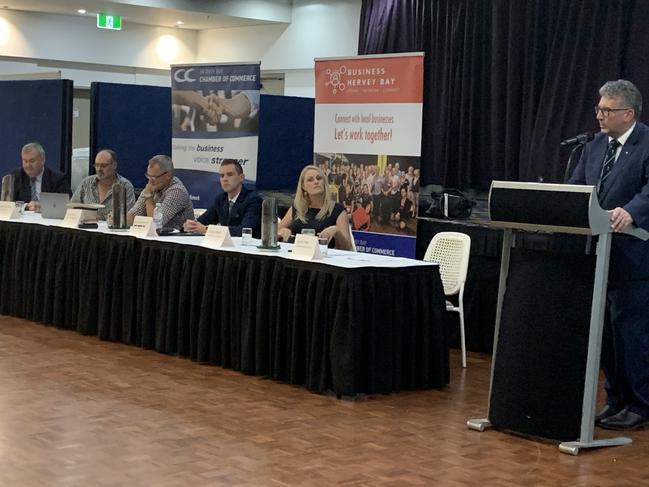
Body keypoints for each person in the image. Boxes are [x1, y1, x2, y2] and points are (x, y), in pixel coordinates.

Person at [569, 79, 649, 431]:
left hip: (634, 256)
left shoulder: (647, 143)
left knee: (632, 333)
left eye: (607, 110)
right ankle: (615, 398)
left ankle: (640, 404)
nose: (599, 115)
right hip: (597, 254)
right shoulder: (594, 146)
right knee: (605, 334)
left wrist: (631, 211)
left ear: (628, 113)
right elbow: (576, 189)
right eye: (598, 108)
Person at [278, 164, 353, 250]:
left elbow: (348, 248)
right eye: (310, 180)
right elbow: (275, 233)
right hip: (297, 257)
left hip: (324, 259)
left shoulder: (338, 210)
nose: (316, 182)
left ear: (324, 182)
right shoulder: (297, 207)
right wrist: (283, 231)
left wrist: (337, 232)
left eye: (319, 178)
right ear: (303, 186)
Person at [183, 159, 261, 237]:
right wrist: (191, 225)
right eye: (222, 176)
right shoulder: (221, 199)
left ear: (241, 177)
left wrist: (206, 229)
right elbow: (202, 221)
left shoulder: (253, 199)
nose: (225, 179)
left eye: (230, 174)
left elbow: (244, 230)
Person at [127, 155, 194, 230]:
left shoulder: (177, 191)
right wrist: (118, 220)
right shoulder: (152, 186)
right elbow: (134, 215)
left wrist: (148, 197)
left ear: (168, 175)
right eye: (148, 176)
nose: (150, 181)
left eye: (154, 177)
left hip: (179, 238)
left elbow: (155, 223)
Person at [70, 149, 135, 220]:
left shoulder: (125, 186)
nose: (99, 169)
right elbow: (72, 207)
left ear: (114, 165)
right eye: (96, 165)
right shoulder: (86, 182)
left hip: (112, 229)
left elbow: (128, 216)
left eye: (103, 166)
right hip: (86, 227)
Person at [6, 142, 69, 211]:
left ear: (43, 160)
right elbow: (6, 203)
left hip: (47, 219)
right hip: (22, 219)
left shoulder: (58, 178)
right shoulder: (16, 176)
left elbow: (67, 204)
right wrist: (26, 206)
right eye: (25, 161)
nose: (28, 165)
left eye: (32, 161)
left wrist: (43, 206)